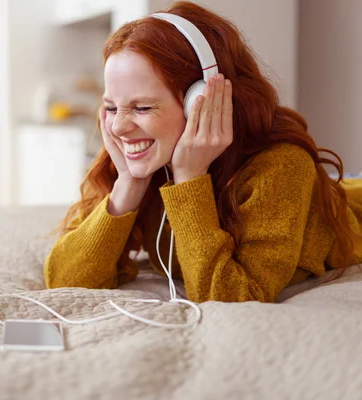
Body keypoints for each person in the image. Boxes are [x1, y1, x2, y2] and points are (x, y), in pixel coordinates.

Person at [43, 1, 362, 303]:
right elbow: (63, 280)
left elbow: (234, 298)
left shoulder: (281, 165)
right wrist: (128, 183)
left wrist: (189, 179)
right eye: (111, 107)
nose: (118, 128)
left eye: (141, 107)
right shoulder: (148, 160)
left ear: (199, 101)